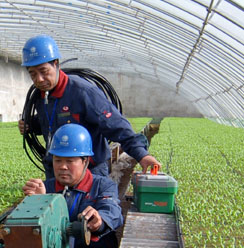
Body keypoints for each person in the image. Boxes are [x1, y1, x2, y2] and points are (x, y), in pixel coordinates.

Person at [18, 34, 160, 179]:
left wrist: (142, 155)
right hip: (57, 172)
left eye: (44, 71)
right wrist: (32, 125)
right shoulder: (40, 96)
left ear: (56, 63)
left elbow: (116, 125)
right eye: (33, 74)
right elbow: (51, 120)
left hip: (90, 171)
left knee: (96, 202)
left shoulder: (83, 92)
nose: (39, 79)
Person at [22, 123, 123, 248]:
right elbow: (30, 231)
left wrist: (100, 220)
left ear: (85, 161)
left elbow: (112, 211)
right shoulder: (45, 189)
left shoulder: (102, 185)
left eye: (70, 161)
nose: (62, 167)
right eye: (58, 160)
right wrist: (39, 202)